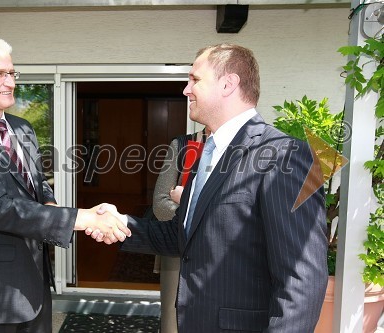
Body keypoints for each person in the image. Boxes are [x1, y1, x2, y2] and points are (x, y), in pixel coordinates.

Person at [94, 44, 328, 332]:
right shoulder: (206, 152)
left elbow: (301, 279)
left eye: (195, 79)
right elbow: (182, 236)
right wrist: (120, 223)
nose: (186, 89)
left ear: (228, 84)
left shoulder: (286, 156)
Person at [0, 33, 130, 333]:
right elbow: (0, 209)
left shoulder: (22, 129)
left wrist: (50, 204)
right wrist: (83, 217)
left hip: (36, 284)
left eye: (12, 73)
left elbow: (38, 185)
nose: (11, 82)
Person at [152, 127, 209, 333]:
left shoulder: (239, 149)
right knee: (172, 320)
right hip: (177, 249)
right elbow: (160, 204)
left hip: (218, 253)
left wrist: (184, 198)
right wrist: (199, 218)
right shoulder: (182, 145)